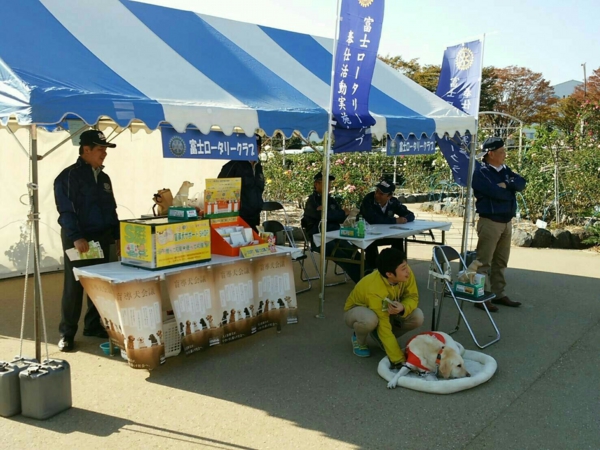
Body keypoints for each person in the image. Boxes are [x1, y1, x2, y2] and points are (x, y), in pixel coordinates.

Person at [54, 130, 121, 352]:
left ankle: (92, 325)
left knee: (98, 284)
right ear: (86, 150)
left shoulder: (104, 178)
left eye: (105, 149)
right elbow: (66, 210)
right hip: (79, 239)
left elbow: (111, 210)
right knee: (74, 287)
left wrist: (118, 236)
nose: (104, 153)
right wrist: (76, 237)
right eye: (100, 149)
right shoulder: (68, 176)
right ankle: (67, 333)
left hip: (102, 237)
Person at [343, 248, 424, 368]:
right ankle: (359, 340)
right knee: (370, 320)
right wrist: (399, 360)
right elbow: (384, 325)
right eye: (403, 268)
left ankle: (380, 338)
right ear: (389, 274)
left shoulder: (406, 273)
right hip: (356, 312)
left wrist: (403, 307)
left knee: (417, 316)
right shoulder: (374, 288)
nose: (408, 271)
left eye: (406, 266)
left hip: (384, 311)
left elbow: (412, 296)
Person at [472, 137, 527, 312]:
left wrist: (507, 185)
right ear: (491, 153)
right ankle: (480, 296)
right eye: (501, 152)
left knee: (501, 261)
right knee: (483, 262)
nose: (505, 154)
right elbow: (496, 193)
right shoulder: (481, 172)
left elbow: (521, 183)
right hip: (490, 222)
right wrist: (510, 189)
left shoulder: (505, 170)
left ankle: (498, 293)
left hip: (506, 221)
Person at [301, 172, 364, 283]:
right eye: (325, 183)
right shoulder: (312, 201)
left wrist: (333, 213)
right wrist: (338, 213)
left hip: (335, 235)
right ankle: (362, 281)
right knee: (342, 256)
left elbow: (341, 218)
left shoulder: (331, 200)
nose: (329, 186)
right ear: (316, 184)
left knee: (353, 252)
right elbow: (323, 216)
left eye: (329, 183)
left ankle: (369, 274)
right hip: (320, 238)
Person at [359, 180, 415, 269]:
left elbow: (410, 214)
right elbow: (372, 219)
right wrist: (395, 221)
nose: (377, 195)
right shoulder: (368, 199)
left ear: (389, 196)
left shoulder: (393, 201)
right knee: (370, 243)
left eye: (381, 194)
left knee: (398, 238)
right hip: (368, 234)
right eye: (377, 191)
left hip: (385, 234)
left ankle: (397, 267)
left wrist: (405, 219)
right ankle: (372, 270)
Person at [217, 134, 265, 231]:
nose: (254, 150)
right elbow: (219, 188)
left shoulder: (258, 166)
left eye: (257, 147)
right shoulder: (234, 164)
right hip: (239, 218)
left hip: (255, 217)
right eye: (251, 147)